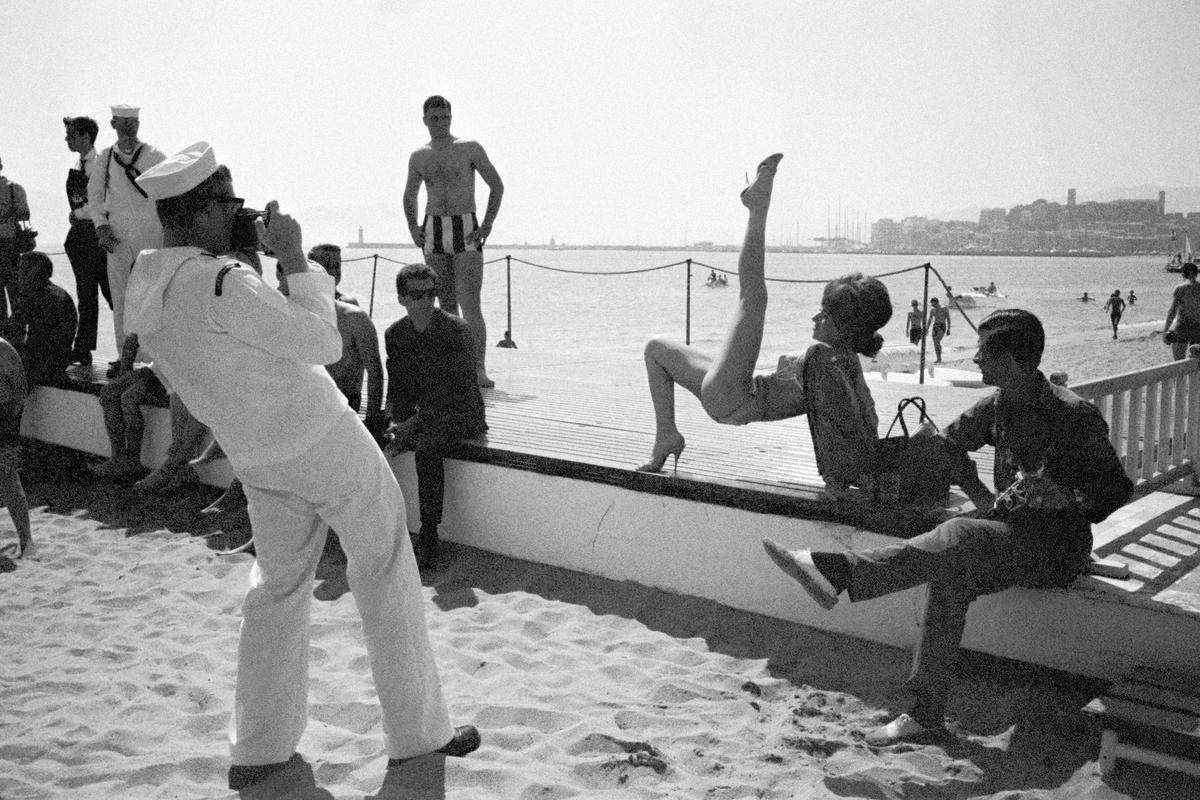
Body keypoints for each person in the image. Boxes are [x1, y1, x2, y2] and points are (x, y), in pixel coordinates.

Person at [124, 142, 479, 789]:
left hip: (257, 458)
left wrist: (251, 262)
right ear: (203, 212)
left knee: (277, 591)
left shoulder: (147, 290)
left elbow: (231, 357)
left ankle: (260, 744)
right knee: (384, 565)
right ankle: (420, 733)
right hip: (322, 439)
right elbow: (321, 339)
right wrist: (291, 257)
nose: (237, 213)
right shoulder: (223, 281)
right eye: (228, 204)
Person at [764, 309, 1133, 746]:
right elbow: (947, 444)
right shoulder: (997, 405)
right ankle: (924, 714)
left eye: (983, 354)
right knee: (947, 577)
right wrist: (980, 493)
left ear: (1013, 362)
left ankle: (840, 571)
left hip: (1057, 548)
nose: (976, 360)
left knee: (958, 536)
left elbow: (1117, 488)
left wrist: (1066, 498)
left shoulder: (1073, 414)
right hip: (1007, 534)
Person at [638, 155, 891, 499]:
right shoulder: (841, 360)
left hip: (735, 397)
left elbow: (849, 426)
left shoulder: (829, 362)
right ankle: (666, 436)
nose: (815, 319)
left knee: (753, 295)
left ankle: (758, 207)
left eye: (824, 316)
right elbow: (862, 416)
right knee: (656, 349)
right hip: (736, 395)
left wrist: (842, 483)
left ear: (845, 329)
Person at [384, 263, 488, 569]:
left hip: (461, 413)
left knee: (428, 447)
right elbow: (398, 386)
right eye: (417, 294)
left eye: (432, 293)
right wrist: (393, 421)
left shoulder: (456, 330)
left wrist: (412, 424)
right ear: (402, 298)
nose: (427, 301)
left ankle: (429, 533)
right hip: (426, 413)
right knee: (370, 434)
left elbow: (457, 391)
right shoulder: (396, 334)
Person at [404, 95, 504, 388]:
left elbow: (496, 185)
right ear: (425, 120)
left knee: (469, 302)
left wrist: (487, 224)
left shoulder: (469, 148)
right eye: (435, 118)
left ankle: (478, 369)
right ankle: (453, 367)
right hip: (433, 228)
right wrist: (413, 227)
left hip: (466, 227)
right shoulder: (419, 155)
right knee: (445, 304)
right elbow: (410, 195)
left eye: (445, 117)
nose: (441, 123)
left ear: (451, 118)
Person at [86, 105, 166, 353]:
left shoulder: (155, 155)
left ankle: (151, 357)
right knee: (120, 298)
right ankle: (125, 358)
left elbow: (168, 191)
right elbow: (95, 194)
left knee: (151, 297)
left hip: (151, 234)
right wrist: (101, 226)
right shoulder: (106, 157)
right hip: (117, 236)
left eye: (133, 123)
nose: (129, 128)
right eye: (123, 123)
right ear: (113, 125)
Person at [304, 244, 386, 439]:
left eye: (336, 266)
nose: (332, 272)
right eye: (325, 265)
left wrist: (372, 421)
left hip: (344, 401)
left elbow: (374, 368)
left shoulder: (350, 311)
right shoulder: (298, 304)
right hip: (307, 400)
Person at [63, 116, 113, 366]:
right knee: (86, 296)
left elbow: (101, 203)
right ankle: (82, 348)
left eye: (72, 135)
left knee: (112, 294)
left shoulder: (100, 165)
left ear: (85, 136)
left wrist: (77, 213)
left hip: (96, 236)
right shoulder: (78, 165)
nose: (67, 139)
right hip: (82, 239)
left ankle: (132, 346)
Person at [89, 334, 165, 480]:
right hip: (155, 370)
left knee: (129, 397)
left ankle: (132, 461)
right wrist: (125, 371)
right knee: (109, 392)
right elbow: (133, 337)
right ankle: (117, 458)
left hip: (173, 373)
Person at [10, 251, 77, 386]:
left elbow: (15, 329)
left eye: (24, 270)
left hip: (46, 363)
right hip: (56, 359)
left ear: (36, 272)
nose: (19, 274)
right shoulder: (54, 292)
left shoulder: (42, 296)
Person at [0, 335, 32, 560]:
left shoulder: (3, 349)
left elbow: (20, 390)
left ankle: (27, 541)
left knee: (9, 478)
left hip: (4, 416)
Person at [0, 155, 31, 320]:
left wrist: (8, 212)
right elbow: (25, 214)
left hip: (11, 245)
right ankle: (13, 337)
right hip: (11, 246)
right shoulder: (15, 189)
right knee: (15, 294)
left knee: (15, 294)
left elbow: (25, 214)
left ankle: (13, 336)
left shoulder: (14, 189)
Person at [1162, 262, 1200, 360]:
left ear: (1186, 274)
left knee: (1178, 362)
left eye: (1182, 273)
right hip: (1198, 328)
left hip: (1182, 328)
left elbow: (1172, 312)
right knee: (1196, 363)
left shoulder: (1180, 288)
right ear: (1196, 274)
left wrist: (1165, 330)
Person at [928, 297, 951, 363]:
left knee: (937, 341)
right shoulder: (932, 310)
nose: (931, 305)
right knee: (935, 343)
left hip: (942, 326)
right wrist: (927, 329)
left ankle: (939, 358)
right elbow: (930, 319)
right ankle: (938, 358)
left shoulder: (944, 308)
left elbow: (948, 318)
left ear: (936, 302)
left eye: (932, 303)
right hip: (935, 326)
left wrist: (949, 329)